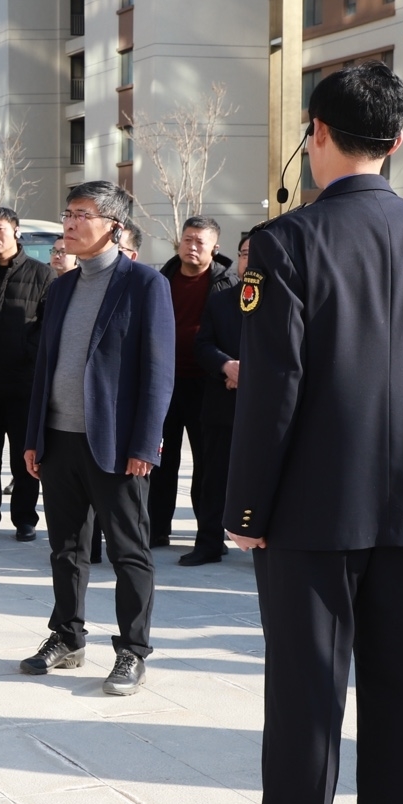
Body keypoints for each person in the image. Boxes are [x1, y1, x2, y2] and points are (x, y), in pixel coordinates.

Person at [207, 62, 403, 804]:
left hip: (312, 508)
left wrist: (246, 508)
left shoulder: (284, 242)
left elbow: (273, 389)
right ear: (396, 142)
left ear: (316, 132)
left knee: (307, 693)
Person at [17, 181, 173, 695]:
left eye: (82, 214)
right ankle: (67, 636)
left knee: (129, 552)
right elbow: (44, 368)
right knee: (65, 548)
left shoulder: (145, 284)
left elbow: (159, 372)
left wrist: (145, 444)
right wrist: (35, 435)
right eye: (68, 212)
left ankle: (133, 650)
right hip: (59, 438)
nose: (69, 223)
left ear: (114, 226)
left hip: (116, 445)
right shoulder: (62, 287)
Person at [0, 206, 55, 542]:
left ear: (16, 232)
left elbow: (48, 327)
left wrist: (27, 354)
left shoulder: (42, 275)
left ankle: (25, 519)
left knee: (24, 457)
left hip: (23, 384)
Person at [147, 218, 236, 555]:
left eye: (200, 242)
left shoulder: (227, 284)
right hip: (165, 382)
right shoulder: (161, 279)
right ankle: (157, 529)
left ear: (214, 247)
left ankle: (208, 536)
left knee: (208, 464)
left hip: (208, 384)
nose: (192, 247)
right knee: (161, 459)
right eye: (187, 240)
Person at [185, 225, 254, 567]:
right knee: (213, 476)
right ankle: (209, 542)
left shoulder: (286, 300)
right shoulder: (222, 300)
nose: (248, 261)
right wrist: (226, 367)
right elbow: (203, 345)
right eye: (244, 254)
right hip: (222, 404)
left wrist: (251, 375)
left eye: (256, 255)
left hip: (266, 407)